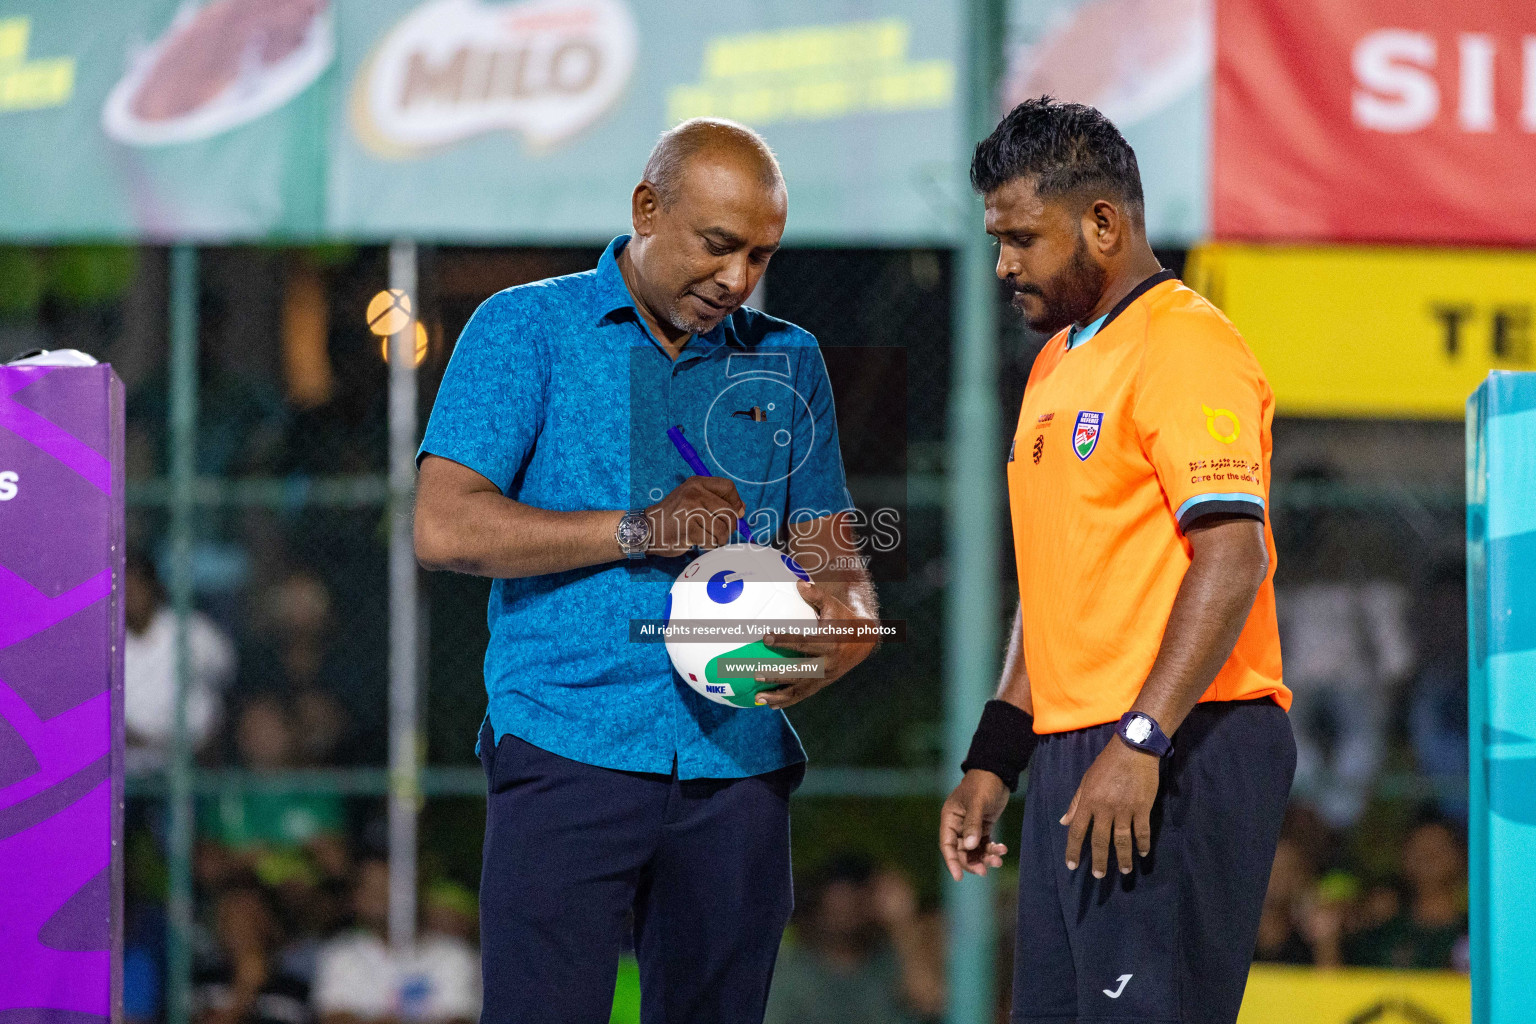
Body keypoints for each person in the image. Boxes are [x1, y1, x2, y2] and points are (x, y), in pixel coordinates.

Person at [413, 117, 879, 1024]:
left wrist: (837, 636)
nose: (738, 278)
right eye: (718, 246)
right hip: (566, 746)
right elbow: (442, 524)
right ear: (646, 208)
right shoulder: (524, 329)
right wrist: (639, 530)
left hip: (736, 767)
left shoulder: (787, 358)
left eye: (761, 254)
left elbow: (841, 571)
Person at [939, 98, 1295, 1024]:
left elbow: (1234, 554)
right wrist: (997, 752)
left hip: (1177, 742)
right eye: (995, 238)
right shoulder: (1057, 361)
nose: (1004, 263)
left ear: (1103, 222)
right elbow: (1058, 585)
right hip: (1080, 752)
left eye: (1022, 236)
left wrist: (1142, 739)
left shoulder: (1187, 343)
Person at [764, 854, 944, 1024]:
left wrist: (903, 922)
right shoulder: (788, 975)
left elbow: (930, 1001)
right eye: (838, 895)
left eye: (858, 892)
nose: (847, 906)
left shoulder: (894, 960)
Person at [312, 859, 481, 1024]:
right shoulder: (340, 955)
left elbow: (460, 1017)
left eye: (386, 886)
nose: (378, 896)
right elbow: (334, 1016)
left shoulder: (455, 956)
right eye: (369, 887)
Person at [124, 548, 235, 772]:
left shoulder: (193, 630)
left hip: (194, 762)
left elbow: (227, 679)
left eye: (136, 587)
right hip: (130, 773)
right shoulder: (105, 644)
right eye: (124, 589)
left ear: (152, 587)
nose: (131, 595)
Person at [1347, 816, 1469, 971]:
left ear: (1460, 857)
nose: (1428, 858)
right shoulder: (1384, 934)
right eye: (1418, 850)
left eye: (1439, 849)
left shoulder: (1474, 931)